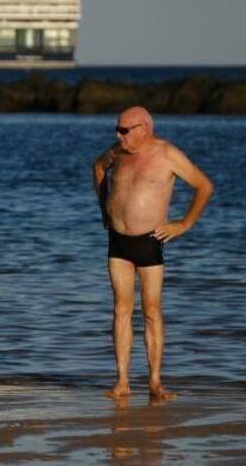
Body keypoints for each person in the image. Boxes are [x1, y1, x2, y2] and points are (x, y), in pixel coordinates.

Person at [92, 106, 214, 401]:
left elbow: (204, 186)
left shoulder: (167, 154)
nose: (117, 135)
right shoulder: (117, 152)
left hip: (149, 240)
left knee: (151, 311)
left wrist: (183, 224)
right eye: (117, 128)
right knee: (121, 310)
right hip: (117, 241)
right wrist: (104, 209)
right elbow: (98, 168)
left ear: (143, 128)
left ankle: (156, 383)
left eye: (123, 130)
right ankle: (122, 382)